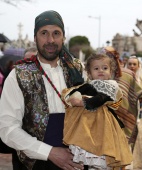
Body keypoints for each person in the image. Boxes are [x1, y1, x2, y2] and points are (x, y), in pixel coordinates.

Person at [0, 10, 86, 170]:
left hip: (77, 162)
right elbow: (7, 128)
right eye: (44, 33)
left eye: (56, 33)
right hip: (35, 163)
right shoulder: (18, 75)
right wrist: (50, 152)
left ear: (63, 37)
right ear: (35, 37)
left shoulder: (78, 70)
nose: (50, 40)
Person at [62, 53, 133, 170]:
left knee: (103, 152)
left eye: (105, 68)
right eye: (96, 68)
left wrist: (82, 102)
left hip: (103, 124)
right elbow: (77, 91)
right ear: (89, 73)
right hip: (87, 124)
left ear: (111, 71)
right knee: (90, 152)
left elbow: (101, 98)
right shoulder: (90, 84)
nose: (101, 71)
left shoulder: (111, 85)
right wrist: (73, 96)